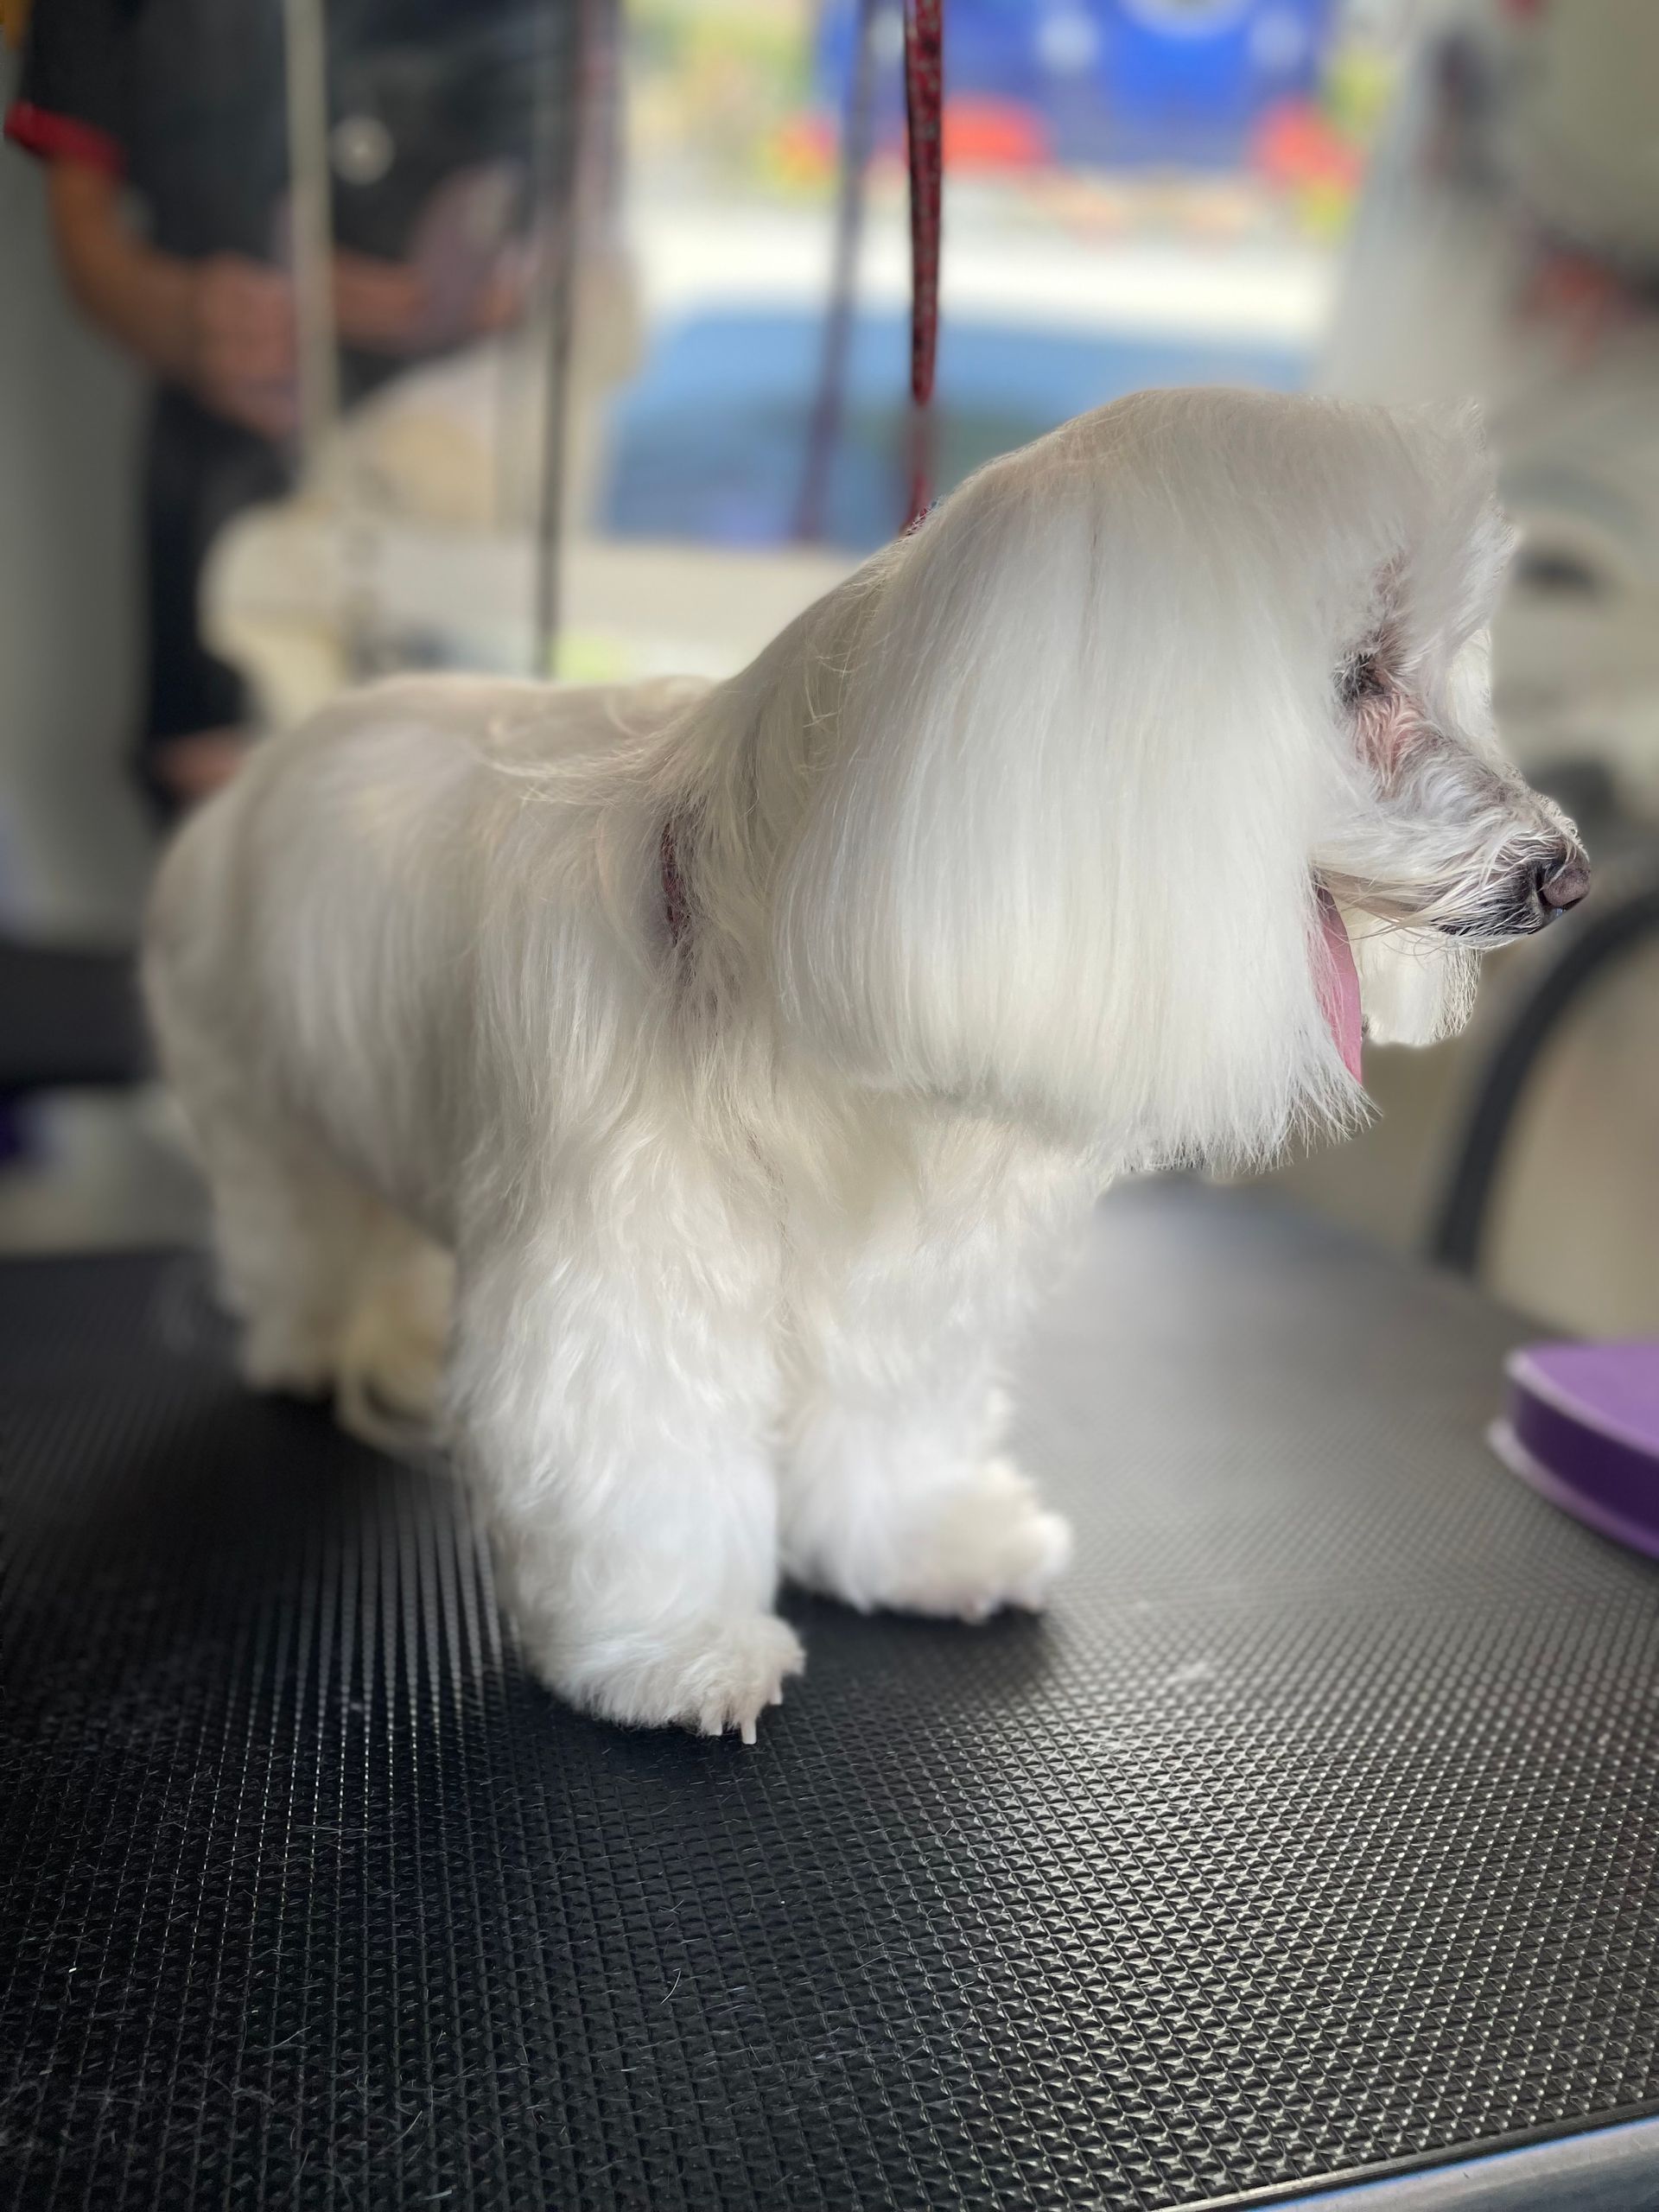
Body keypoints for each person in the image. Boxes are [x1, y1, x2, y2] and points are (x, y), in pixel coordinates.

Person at [6, 0, 563, 811]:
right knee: (225, 822)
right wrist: (175, 315)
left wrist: (493, 268)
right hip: (224, 485)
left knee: (452, 827)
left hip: (464, 504)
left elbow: (585, 179)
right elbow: (81, 231)